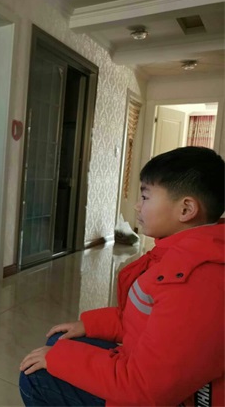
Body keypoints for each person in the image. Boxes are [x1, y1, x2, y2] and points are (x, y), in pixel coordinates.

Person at [19, 146, 224, 406]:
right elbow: (142, 320)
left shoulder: (197, 280)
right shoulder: (178, 253)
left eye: (145, 197)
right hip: (138, 362)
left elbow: (146, 388)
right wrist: (90, 325)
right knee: (59, 341)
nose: (137, 206)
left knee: (35, 378)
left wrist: (59, 359)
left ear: (186, 210)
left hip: (150, 392)